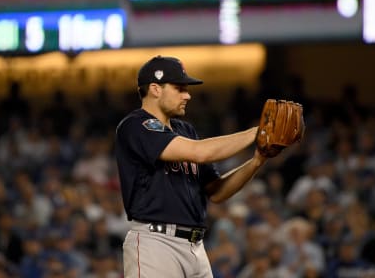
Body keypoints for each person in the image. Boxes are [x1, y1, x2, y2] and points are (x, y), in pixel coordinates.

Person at [114, 55, 269, 277]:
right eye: (180, 88)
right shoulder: (135, 126)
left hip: (196, 246)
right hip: (156, 244)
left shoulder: (185, 131)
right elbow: (201, 152)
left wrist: (257, 160)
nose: (187, 95)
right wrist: (257, 132)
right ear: (155, 89)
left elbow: (217, 192)